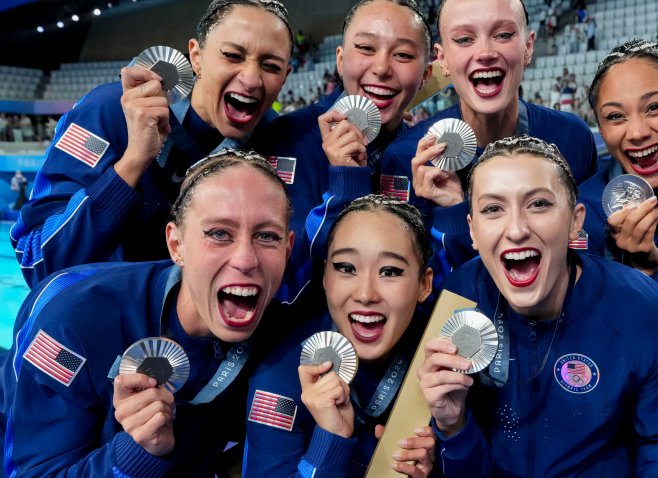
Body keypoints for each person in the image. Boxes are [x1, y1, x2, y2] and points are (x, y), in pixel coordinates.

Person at [0, 150, 294, 476]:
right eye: (219, 234)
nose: (246, 259)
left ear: (288, 248)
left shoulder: (282, 337)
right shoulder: (75, 326)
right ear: (176, 244)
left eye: (267, 236)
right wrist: (133, 454)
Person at [416, 135, 658, 477]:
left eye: (538, 204)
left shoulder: (642, 307)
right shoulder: (460, 297)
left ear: (576, 220)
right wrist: (453, 426)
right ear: (472, 230)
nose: (517, 229)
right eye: (493, 209)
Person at [11, 0, 293, 288]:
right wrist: (131, 164)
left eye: (271, 66)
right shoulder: (108, 113)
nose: (250, 79)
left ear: (285, 76)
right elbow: (36, 259)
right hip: (106, 326)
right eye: (233, 55)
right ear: (196, 56)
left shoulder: (277, 144)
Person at [381, 0, 597, 284]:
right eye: (464, 39)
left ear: (528, 46)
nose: (485, 52)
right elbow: (415, 292)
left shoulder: (571, 137)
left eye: (503, 35)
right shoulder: (405, 158)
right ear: (442, 58)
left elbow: (588, 259)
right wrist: (453, 215)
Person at [251, 0, 432, 303]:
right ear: (340, 59)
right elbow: (277, 277)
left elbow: (433, 281)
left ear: (426, 76)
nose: (382, 68)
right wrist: (344, 186)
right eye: (365, 48)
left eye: (402, 54)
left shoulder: (427, 156)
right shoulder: (287, 139)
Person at [243, 195, 436, 477]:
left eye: (390, 271)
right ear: (324, 278)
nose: (365, 294)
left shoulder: (440, 354)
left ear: (424, 284)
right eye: (346, 268)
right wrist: (330, 439)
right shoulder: (276, 380)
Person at [578, 39, 658, 289]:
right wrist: (640, 275)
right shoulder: (582, 217)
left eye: (654, 107)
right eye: (615, 116)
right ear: (600, 128)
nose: (637, 132)